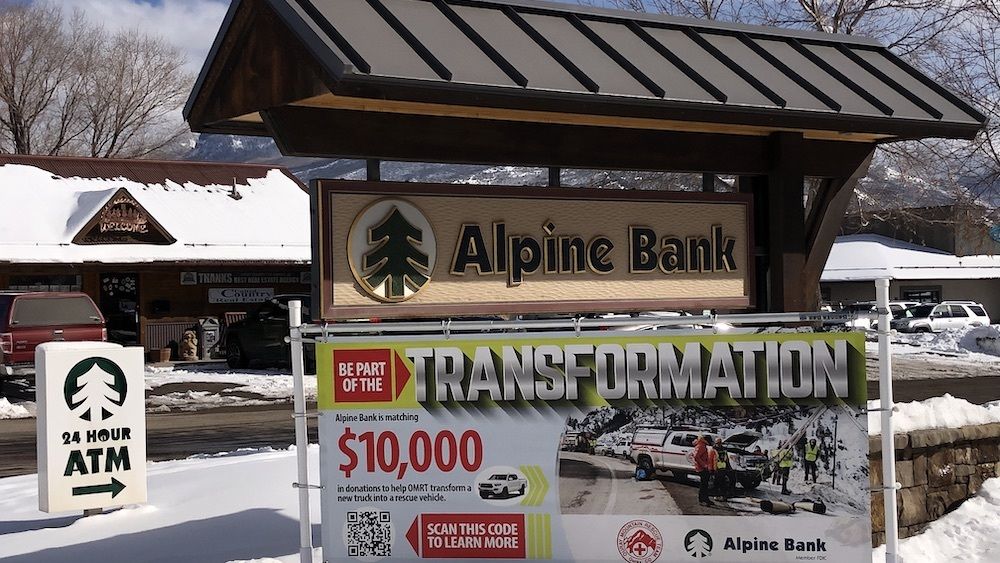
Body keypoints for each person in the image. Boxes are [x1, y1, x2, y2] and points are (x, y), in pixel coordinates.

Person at [693, 434, 715, 506]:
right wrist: (704, 465)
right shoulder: (701, 446)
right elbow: (696, 456)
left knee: (705, 484)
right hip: (702, 468)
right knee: (704, 484)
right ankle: (702, 499)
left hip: (702, 467)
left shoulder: (701, 445)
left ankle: (705, 499)